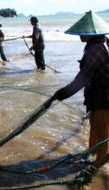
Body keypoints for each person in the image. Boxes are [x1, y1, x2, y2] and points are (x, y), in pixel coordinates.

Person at [53, 11, 109, 181]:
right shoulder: (102, 42)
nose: (79, 36)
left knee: (102, 131)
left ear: (91, 32)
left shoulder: (96, 49)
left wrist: (64, 92)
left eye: (82, 32)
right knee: (96, 128)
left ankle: (98, 164)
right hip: (97, 96)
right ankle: (91, 155)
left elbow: (84, 77)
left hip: (104, 97)